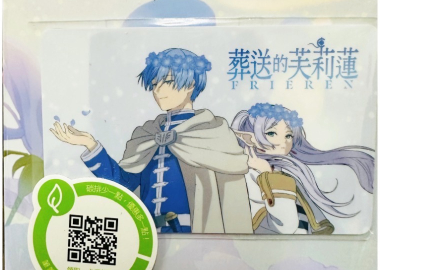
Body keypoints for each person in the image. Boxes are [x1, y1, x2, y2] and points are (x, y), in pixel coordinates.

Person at [51, 48, 252, 234]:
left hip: (196, 235)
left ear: (191, 84)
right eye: (155, 84)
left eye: (168, 82)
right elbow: (123, 186)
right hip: (148, 235)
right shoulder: (147, 135)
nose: (158, 90)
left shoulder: (212, 133)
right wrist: (91, 145)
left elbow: (230, 200)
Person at [231, 103, 374, 235]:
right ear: (249, 139)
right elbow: (284, 226)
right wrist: (268, 174)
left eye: (288, 135)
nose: (283, 142)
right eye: (272, 133)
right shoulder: (250, 175)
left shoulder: (281, 173)